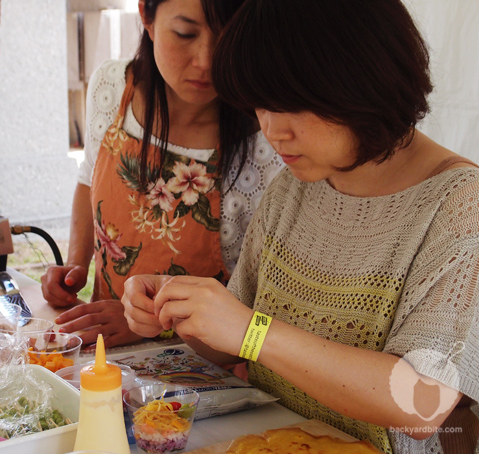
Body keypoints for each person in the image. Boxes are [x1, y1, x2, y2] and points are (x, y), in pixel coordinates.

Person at [121, 0, 479, 452]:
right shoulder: (294, 188)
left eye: (292, 105)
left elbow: (424, 404)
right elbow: (233, 342)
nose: (273, 131)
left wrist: (251, 330)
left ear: (364, 82)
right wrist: (177, 308)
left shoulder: (460, 204)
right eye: (260, 107)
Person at [41, 0, 284, 347]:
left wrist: (153, 322)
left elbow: (260, 307)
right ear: (147, 16)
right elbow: (87, 178)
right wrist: (73, 267)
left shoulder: (269, 142)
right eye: (185, 34)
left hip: (204, 371)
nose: (205, 60)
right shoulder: (112, 87)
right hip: (103, 350)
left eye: (226, 38)